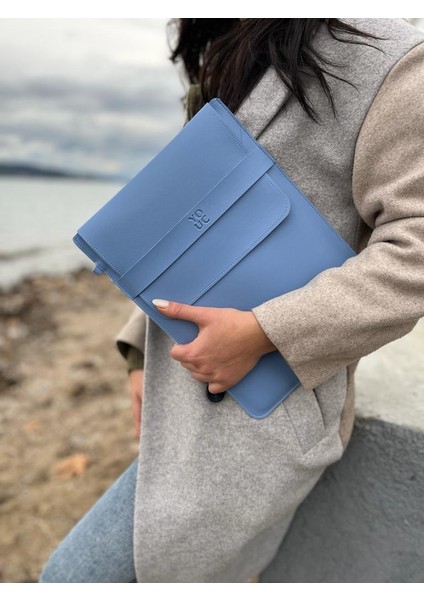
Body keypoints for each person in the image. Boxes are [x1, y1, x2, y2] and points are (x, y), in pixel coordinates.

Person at [39, 18, 424, 582]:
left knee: (71, 579)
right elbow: (187, 223)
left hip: (265, 413)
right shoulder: (224, 38)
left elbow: (415, 251)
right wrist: (138, 349)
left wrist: (267, 330)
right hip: (181, 387)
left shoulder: (390, 57)